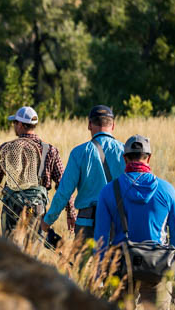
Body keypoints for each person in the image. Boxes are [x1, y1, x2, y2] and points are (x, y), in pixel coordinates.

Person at [94, 135, 175, 310]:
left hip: (121, 265)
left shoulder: (109, 191)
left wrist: (99, 274)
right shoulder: (167, 190)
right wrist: (171, 262)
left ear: (124, 158)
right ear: (149, 158)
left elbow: (101, 238)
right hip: (158, 265)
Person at [0, 106, 76, 239]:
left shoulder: (7, 148)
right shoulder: (50, 150)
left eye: (15, 123)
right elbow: (64, 184)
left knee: (11, 251)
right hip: (35, 209)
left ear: (20, 124)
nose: (14, 126)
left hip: (10, 207)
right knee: (31, 251)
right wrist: (70, 212)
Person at [40, 105, 124, 248]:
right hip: (118, 223)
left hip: (87, 224)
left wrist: (47, 221)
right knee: (116, 268)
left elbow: (64, 192)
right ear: (113, 125)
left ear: (89, 124)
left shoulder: (79, 153)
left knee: (83, 269)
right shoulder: (125, 151)